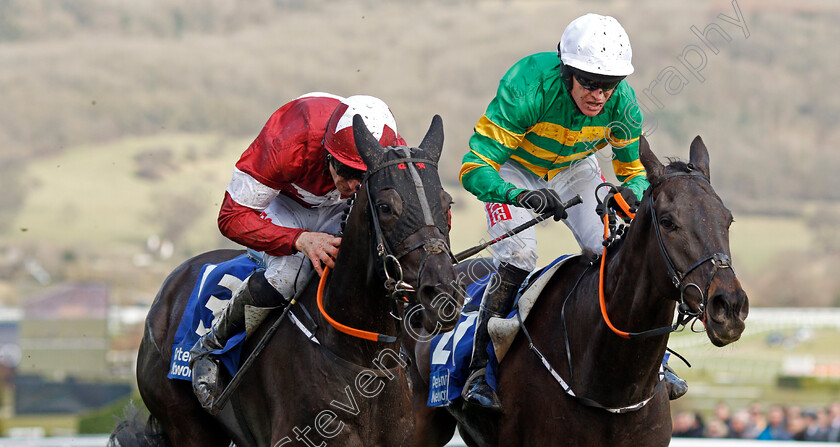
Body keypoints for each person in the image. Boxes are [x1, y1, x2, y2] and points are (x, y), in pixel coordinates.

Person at [458, 13, 686, 411]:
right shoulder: (528, 85)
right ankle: (480, 369)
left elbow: (633, 173)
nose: (599, 95)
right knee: (520, 257)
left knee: (614, 252)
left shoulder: (624, 105)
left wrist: (628, 195)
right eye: (591, 83)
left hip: (576, 168)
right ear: (566, 73)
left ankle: (657, 360)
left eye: (609, 86)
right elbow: (473, 167)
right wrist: (519, 195)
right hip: (512, 168)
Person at [189, 92, 405, 409]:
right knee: (289, 274)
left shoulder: (391, 147)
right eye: (346, 172)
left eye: (364, 177)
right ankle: (210, 347)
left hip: (338, 211)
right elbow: (231, 217)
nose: (354, 186)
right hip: (284, 204)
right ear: (328, 154)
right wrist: (301, 240)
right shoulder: (291, 138)